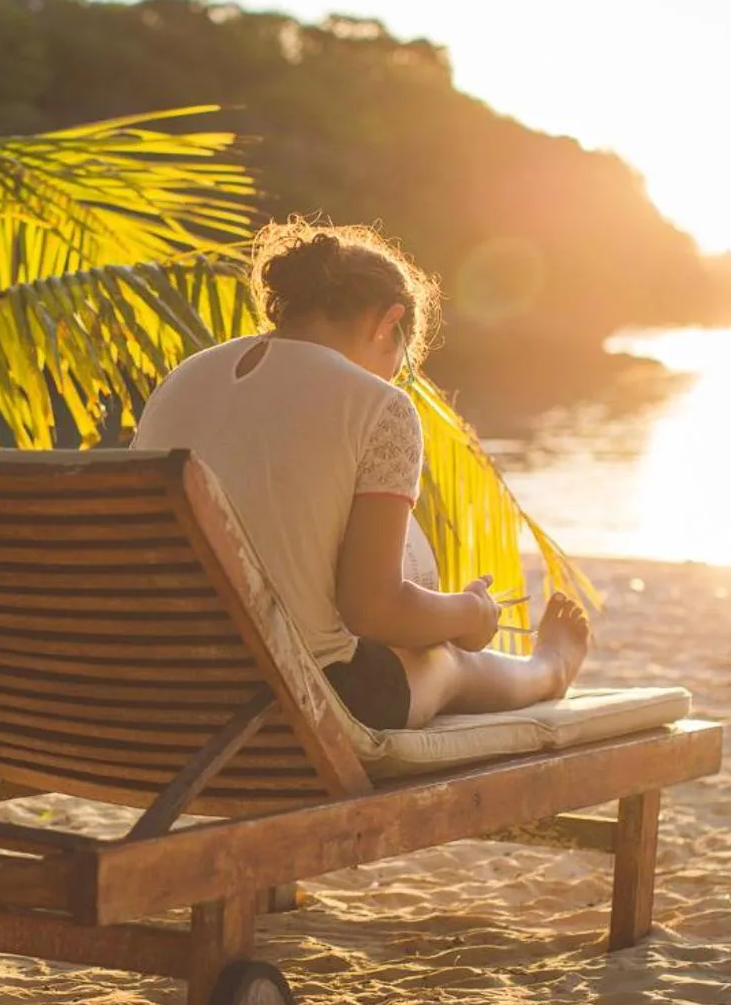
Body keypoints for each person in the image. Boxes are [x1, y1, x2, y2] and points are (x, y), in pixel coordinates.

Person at [132, 221, 590, 730]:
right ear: (387, 322)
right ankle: (549, 670)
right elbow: (372, 610)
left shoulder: (182, 380)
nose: (392, 378)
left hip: (162, 683)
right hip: (286, 702)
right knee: (445, 664)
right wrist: (470, 614)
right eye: (400, 362)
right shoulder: (378, 406)